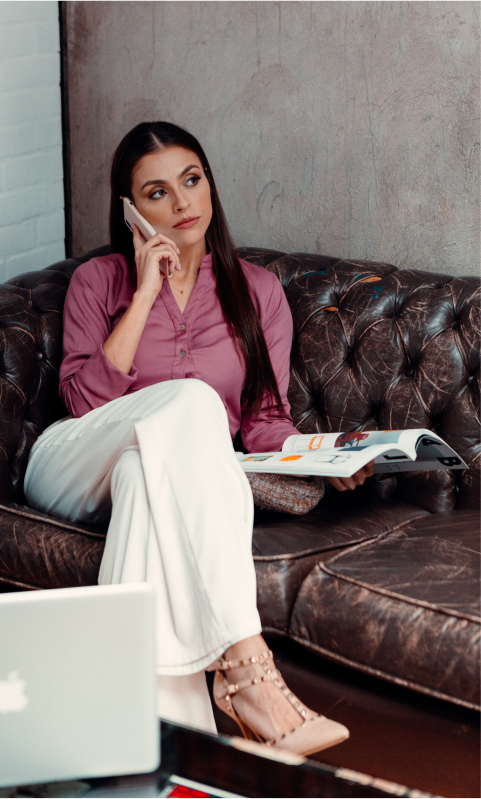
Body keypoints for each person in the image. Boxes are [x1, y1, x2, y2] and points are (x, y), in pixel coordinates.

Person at [24, 121, 373, 755]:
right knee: (190, 401)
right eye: (156, 193)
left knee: (144, 479)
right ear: (129, 211)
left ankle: (145, 744)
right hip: (73, 459)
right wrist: (146, 290)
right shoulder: (99, 281)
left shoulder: (257, 291)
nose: (183, 204)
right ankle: (246, 668)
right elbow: (84, 403)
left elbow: (264, 420)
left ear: (210, 185)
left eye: (192, 181)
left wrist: (321, 460)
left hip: (141, 471)